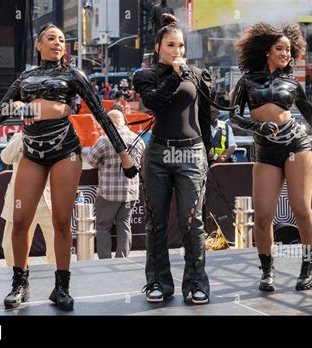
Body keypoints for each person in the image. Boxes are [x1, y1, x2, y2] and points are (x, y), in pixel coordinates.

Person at [0, 23, 138, 311]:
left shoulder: (72, 75)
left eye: (62, 40)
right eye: (51, 39)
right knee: (20, 221)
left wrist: (124, 155)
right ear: (38, 44)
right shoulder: (25, 78)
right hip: (32, 153)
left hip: (65, 152)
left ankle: (62, 286)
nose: (58, 43)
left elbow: (100, 114)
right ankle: (20, 283)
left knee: (60, 221)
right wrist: (20, 109)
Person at [230, 22, 312, 292]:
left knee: (300, 208)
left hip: (296, 145)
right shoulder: (246, 81)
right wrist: (258, 127)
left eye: (289, 49)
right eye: (280, 48)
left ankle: (308, 262)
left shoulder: (291, 82)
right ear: (267, 50)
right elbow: (234, 116)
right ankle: (267, 270)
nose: (285, 53)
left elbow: (311, 115)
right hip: (266, 150)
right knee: (265, 216)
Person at [133, 14, 212, 305]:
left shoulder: (198, 74)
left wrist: (209, 153)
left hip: (191, 152)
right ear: (158, 48)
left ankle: (196, 284)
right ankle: (157, 282)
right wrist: (177, 76)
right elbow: (153, 101)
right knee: (156, 222)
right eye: (170, 45)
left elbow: (205, 119)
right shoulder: (145, 76)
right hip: (157, 155)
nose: (177, 51)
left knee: (192, 223)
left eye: (180, 45)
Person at [87, 110, 145, 259]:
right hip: (130, 192)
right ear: (124, 121)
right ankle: (123, 260)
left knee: (103, 226)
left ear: (109, 123)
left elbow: (91, 161)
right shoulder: (138, 139)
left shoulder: (104, 139)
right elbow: (143, 163)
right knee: (125, 225)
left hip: (108, 193)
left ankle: (105, 261)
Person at [0, 132, 55, 266]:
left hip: (47, 199)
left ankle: (57, 277)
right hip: (20, 199)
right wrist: (23, 138)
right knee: (10, 247)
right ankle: (17, 277)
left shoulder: (53, 136)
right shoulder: (19, 137)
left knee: (56, 245)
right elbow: (5, 158)